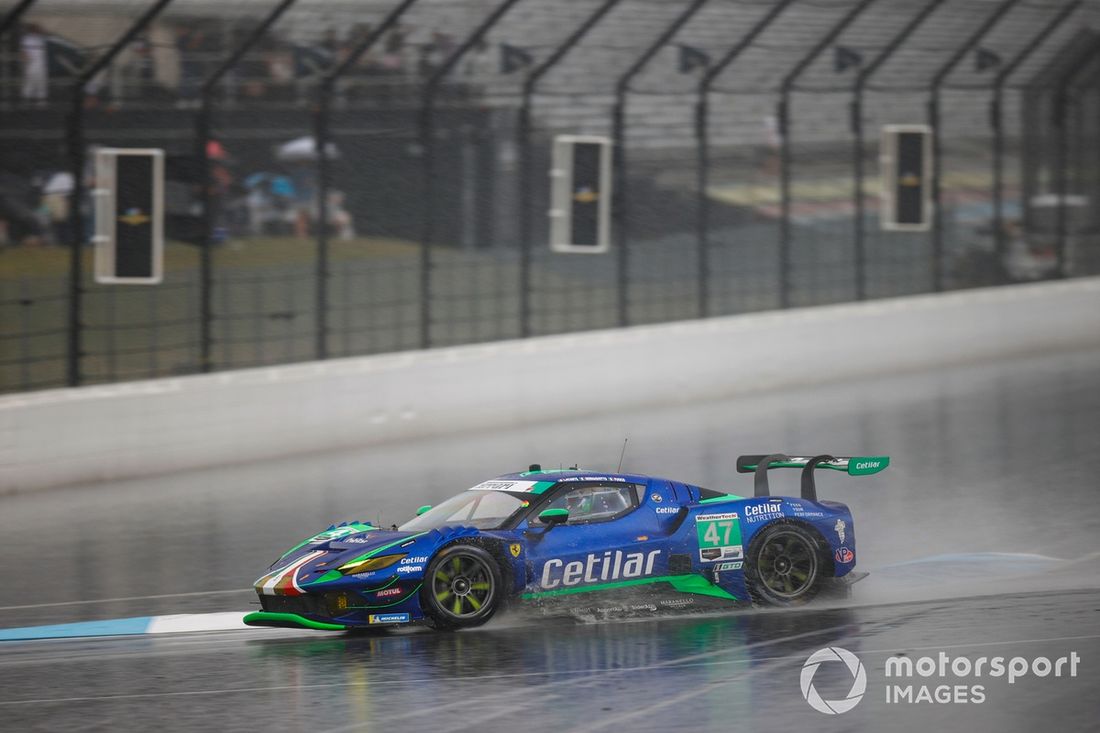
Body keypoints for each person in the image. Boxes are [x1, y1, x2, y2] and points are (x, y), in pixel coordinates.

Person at [20, 24, 48, 103]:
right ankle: (25, 101)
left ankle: (41, 102)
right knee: (29, 82)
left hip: (41, 64)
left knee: (41, 82)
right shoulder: (27, 39)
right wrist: (26, 60)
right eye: (37, 29)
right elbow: (24, 52)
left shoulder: (40, 39)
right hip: (31, 64)